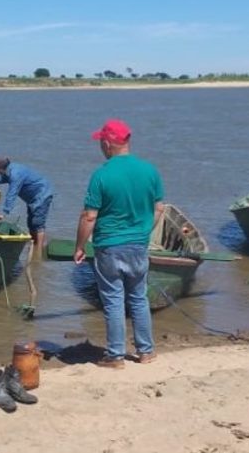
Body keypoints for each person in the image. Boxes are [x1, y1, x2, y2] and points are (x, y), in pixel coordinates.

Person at [73, 119, 164, 369]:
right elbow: (158, 209)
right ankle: (146, 351)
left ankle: (115, 356)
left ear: (107, 143)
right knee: (138, 298)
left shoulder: (101, 174)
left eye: (101, 143)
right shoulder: (150, 171)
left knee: (113, 300)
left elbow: (89, 216)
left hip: (110, 246)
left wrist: (79, 246)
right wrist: (144, 231)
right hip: (138, 245)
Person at [0, 157, 53, 260]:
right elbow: (4, 178)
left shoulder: (15, 174)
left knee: (38, 224)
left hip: (42, 195)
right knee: (30, 223)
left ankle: (38, 252)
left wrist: (4, 213)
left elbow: (12, 194)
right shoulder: (9, 170)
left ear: (1, 169)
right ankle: (34, 245)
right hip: (32, 199)